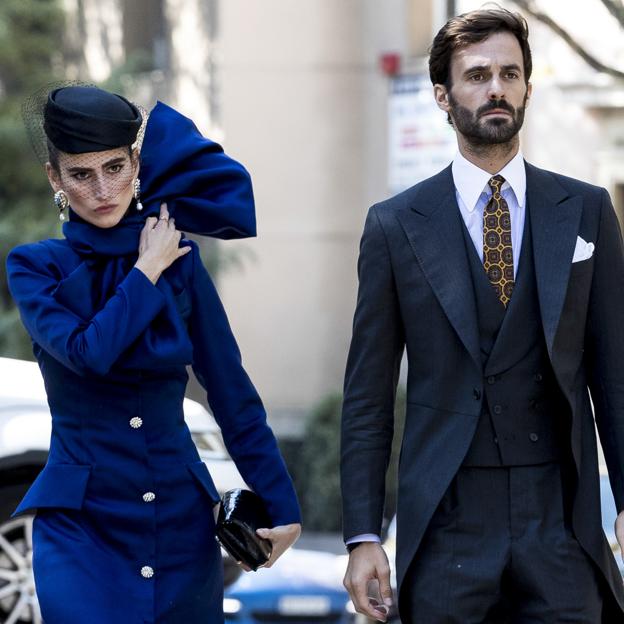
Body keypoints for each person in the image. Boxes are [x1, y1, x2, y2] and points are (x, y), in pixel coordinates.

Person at [341, 8, 624, 623]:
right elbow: (367, 394)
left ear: (526, 87)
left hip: (561, 522)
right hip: (448, 523)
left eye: (509, 74)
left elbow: (615, 373)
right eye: (476, 76)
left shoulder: (587, 210)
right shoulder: (394, 226)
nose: (495, 88)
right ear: (443, 96)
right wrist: (362, 535)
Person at [7, 85, 301, 624]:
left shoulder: (183, 264)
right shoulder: (34, 266)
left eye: (115, 167)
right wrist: (146, 271)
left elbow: (230, 390)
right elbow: (88, 353)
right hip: (81, 527)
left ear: (136, 162)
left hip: (180, 524)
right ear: (55, 178)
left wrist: (282, 506)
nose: (102, 189)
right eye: (80, 174)